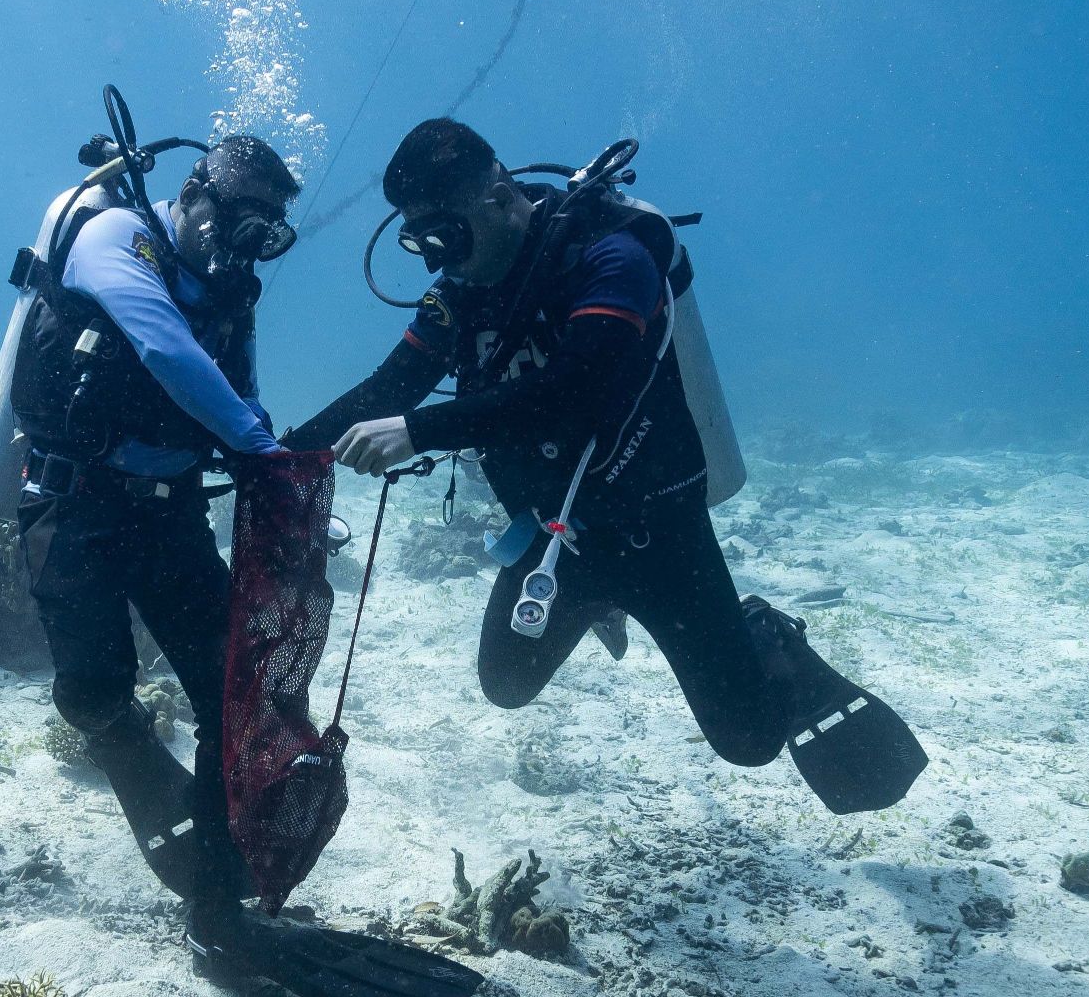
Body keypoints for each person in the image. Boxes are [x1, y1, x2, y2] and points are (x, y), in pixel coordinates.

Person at [289, 118, 925, 815]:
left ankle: (765, 637)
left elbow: (578, 393)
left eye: (449, 236)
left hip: (658, 535)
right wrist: (274, 453)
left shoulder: (613, 256)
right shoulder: (462, 294)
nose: (440, 262)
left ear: (499, 198)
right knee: (505, 684)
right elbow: (389, 389)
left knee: (748, 741)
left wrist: (421, 430)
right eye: (423, 244)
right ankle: (594, 600)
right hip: (552, 535)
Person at [10, 130, 299, 909]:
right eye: (240, 225)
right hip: (75, 504)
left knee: (230, 692)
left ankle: (219, 896)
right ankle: (125, 738)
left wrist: (263, 448)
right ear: (196, 193)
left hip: (171, 516)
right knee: (94, 689)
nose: (244, 251)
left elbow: (239, 391)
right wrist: (264, 453)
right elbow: (165, 348)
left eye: (265, 236)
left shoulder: (234, 292)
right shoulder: (114, 237)